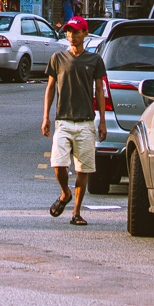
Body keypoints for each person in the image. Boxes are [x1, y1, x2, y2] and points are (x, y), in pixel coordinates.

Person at [41, 16, 108, 225]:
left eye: (76, 32)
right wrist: (46, 116)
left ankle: (76, 212)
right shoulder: (58, 58)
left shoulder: (94, 60)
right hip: (63, 120)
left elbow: (99, 90)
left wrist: (102, 121)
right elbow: (50, 88)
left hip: (86, 121)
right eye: (69, 32)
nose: (71, 35)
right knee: (58, 164)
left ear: (85, 34)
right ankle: (65, 194)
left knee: (83, 169)